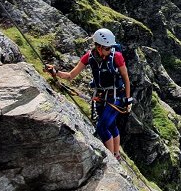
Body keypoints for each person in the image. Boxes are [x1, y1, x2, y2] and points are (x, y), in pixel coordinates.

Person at [46, 28, 132, 160]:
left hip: (116, 96)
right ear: (98, 47)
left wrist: (128, 99)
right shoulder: (89, 57)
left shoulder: (117, 57)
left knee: (102, 127)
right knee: (111, 125)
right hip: (101, 97)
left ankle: (111, 159)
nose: (109, 50)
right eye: (107, 48)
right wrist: (56, 72)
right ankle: (116, 155)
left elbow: (126, 78)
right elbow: (71, 75)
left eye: (110, 48)